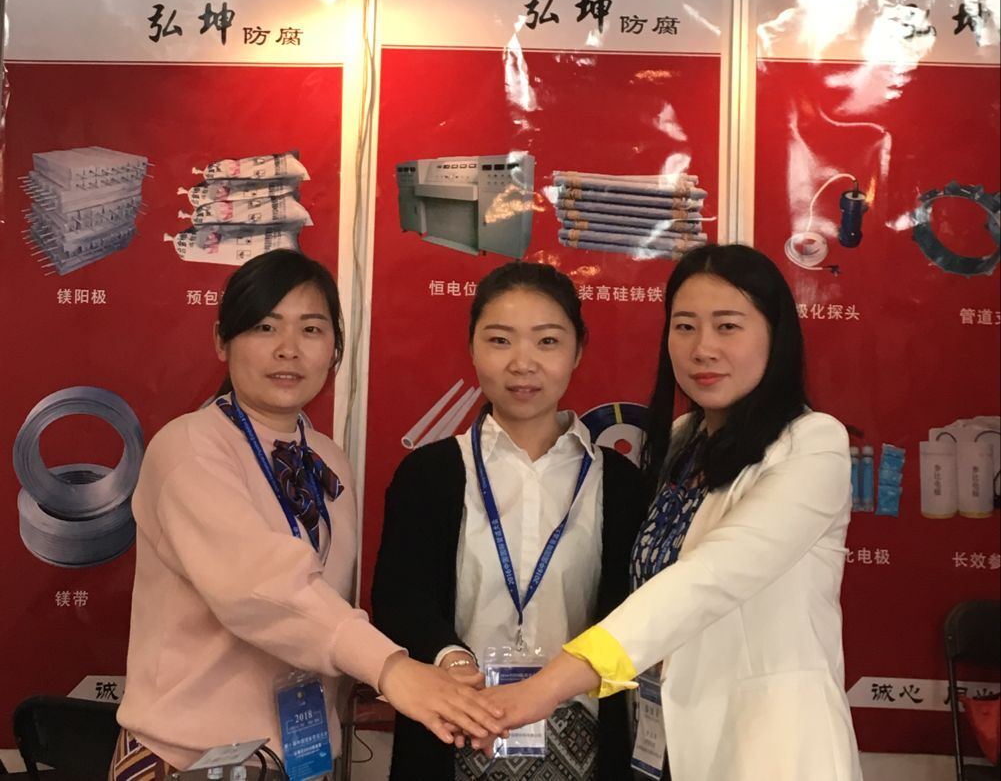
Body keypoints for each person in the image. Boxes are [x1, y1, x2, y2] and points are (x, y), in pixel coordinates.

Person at [478, 244, 863, 781]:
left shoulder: (811, 443)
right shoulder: (683, 440)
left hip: (767, 745)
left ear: (775, 336)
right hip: (664, 743)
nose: (703, 348)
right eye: (685, 327)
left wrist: (547, 686)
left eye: (727, 327)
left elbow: (710, 577)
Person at [113, 250, 501, 781]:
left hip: (298, 758)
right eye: (265, 326)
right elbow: (259, 587)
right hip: (188, 759)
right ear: (222, 340)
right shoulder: (189, 448)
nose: (288, 349)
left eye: (312, 329)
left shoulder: (325, 458)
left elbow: (327, 598)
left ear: (335, 348)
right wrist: (391, 668)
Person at [372, 261, 644, 781]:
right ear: (472, 348)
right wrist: (451, 661)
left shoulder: (621, 483)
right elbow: (398, 598)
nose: (523, 363)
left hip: (586, 744)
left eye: (547, 342)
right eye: (500, 340)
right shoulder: (429, 473)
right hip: (454, 726)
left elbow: (635, 617)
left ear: (577, 351)